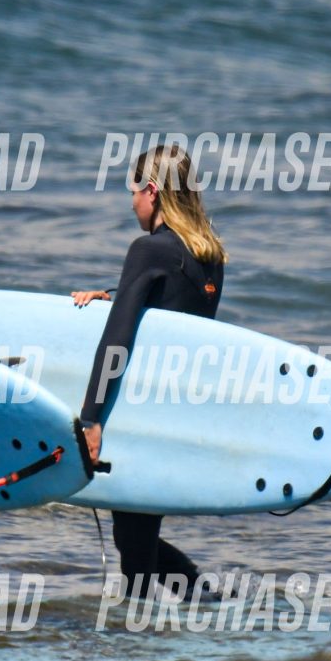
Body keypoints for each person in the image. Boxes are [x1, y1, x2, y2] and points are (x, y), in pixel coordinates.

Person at [72, 142, 225, 594]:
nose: (132, 202)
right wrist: (117, 295)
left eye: (134, 191)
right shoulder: (209, 256)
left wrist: (91, 420)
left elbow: (116, 341)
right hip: (176, 414)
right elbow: (172, 309)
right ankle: (197, 603)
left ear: (153, 192)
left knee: (135, 546)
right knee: (134, 537)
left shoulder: (147, 250)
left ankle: (191, 605)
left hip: (136, 414)